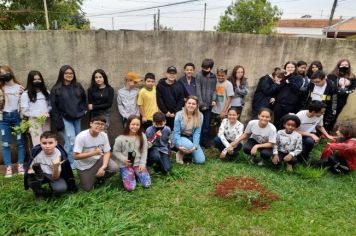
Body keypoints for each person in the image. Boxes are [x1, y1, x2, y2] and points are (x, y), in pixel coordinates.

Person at [50, 65, 86, 169]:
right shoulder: (56, 88)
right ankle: (70, 165)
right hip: (65, 119)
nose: (69, 75)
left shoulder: (78, 86)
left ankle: (78, 162)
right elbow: (54, 107)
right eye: (66, 73)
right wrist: (58, 122)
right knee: (70, 142)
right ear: (62, 74)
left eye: (71, 73)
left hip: (77, 118)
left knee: (78, 141)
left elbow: (84, 99)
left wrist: (83, 111)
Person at [73, 115, 118, 191]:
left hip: (98, 161)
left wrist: (103, 167)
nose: (99, 126)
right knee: (87, 189)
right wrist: (92, 153)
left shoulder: (104, 135)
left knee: (115, 167)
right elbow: (75, 156)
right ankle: (92, 177)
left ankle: (100, 178)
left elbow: (107, 152)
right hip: (84, 166)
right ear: (91, 124)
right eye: (97, 123)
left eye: (102, 124)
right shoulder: (81, 137)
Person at [25, 131, 76, 198]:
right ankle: (39, 193)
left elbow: (56, 177)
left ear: (56, 143)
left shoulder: (59, 154)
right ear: (40, 143)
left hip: (53, 175)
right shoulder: (36, 152)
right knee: (31, 180)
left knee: (61, 189)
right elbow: (30, 170)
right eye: (44, 143)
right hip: (40, 175)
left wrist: (55, 167)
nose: (47, 146)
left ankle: (48, 191)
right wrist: (31, 173)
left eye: (50, 143)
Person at [112, 115, 151, 191]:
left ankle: (136, 175)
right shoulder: (120, 138)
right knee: (130, 188)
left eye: (137, 125)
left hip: (138, 164)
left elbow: (144, 150)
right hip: (125, 165)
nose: (135, 127)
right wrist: (124, 159)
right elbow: (115, 152)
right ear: (128, 124)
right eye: (133, 124)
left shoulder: (142, 136)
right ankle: (128, 174)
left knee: (147, 184)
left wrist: (142, 164)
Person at [0, 65, 25, 177]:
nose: (4, 75)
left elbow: (24, 105)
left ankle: (20, 165)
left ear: (10, 72)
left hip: (17, 117)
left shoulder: (20, 88)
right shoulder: (1, 88)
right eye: (1, 74)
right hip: (3, 118)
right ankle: (8, 167)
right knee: (5, 144)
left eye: (5, 72)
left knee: (20, 142)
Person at [21, 70, 51, 146]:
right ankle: (38, 158)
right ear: (30, 81)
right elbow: (24, 111)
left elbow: (50, 105)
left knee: (47, 141)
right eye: (34, 80)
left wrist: (47, 111)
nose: (37, 81)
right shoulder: (25, 94)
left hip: (46, 120)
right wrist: (39, 113)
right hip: (34, 122)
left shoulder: (46, 92)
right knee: (37, 143)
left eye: (39, 79)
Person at [173, 96, 205, 165]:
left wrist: (195, 146)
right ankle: (180, 152)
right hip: (180, 137)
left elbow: (197, 132)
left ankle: (188, 154)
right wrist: (179, 145)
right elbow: (176, 132)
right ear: (185, 104)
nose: (191, 105)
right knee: (190, 145)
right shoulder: (179, 114)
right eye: (189, 103)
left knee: (200, 161)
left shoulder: (200, 116)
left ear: (197, 105)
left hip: (191, 138)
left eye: (193, 104)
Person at [273, 61, 303, 129]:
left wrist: (289, 78)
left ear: (295, 68)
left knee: (286, 122)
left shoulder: (299, 77)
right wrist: (284, 80)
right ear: (285, 68)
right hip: (279, 104)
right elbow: (278, 88)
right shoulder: (282, 77)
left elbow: (295, 88)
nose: (290, 68)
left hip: (290, 105)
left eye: (292, 67)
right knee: (276, 122)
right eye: (288, 67)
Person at [327, 59, 356, 130]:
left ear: (349, 66)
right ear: (338, 65)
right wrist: (339, 91)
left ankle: (329, 130)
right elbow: (330, 86)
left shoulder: (352, 76)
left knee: (336, 115)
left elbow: (353, 88)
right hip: (333, 99)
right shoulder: (332, 75)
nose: (344, 66)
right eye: (342, 65)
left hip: (342, 100)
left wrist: (346, 92)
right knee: (330, 115)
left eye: (346, 65)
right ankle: (325, 130)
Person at [196, 58, 217, 148]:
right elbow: (198, 90)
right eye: (203, 68)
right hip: (200, 105)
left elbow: (214, 90)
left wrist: (214, 100)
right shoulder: (199, 75)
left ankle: (205, 142)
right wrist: (201, 104)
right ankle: (198, 142)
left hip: (209, 105)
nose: (204, 70)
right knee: (198, 125)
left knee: (206, 125)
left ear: (210, 68)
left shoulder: (213, 77)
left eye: (206, 69)